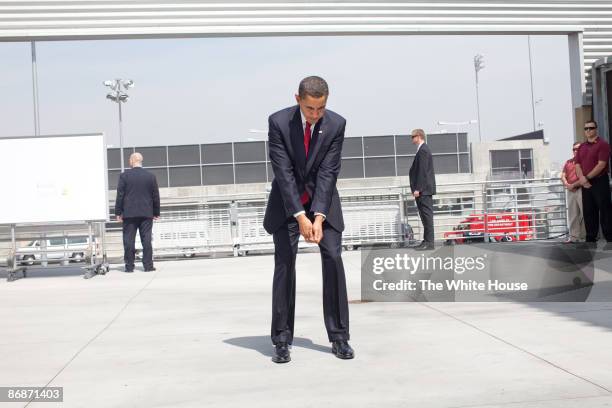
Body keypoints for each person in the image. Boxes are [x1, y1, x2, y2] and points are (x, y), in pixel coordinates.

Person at [263, 76, 353, 363]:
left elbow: (329, 172)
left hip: (322, 203)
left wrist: (318, 216)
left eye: (321, 108)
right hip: (287, 204)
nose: (315, 115)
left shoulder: (337, 124)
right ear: (298, 99)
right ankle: (281, 339)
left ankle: (339, 336)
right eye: (310, 108)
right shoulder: (278, 123)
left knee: (333, 257)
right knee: (285, 264)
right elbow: (284, 173)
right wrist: (300, 216)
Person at [115, 152, 161, 272]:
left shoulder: (124, 176)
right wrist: (156, 212)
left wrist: (118, 212)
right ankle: (148, 266)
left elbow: (120, 195)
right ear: (141, 161)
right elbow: (155, 196)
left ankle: (129, 266)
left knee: (128, 240)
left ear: (131, 161)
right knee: (146, 240)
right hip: (146, 213)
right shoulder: (150, 176)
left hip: (129, 214)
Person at [574, 120, 612, 243]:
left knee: (605, 209)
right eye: (586, 129)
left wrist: (587, 178)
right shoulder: (582, 147)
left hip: (600, 181)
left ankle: (610, 237)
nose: (588, 130)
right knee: (589, 211)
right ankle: (590, 237)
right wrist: (582, 179)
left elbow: (601, 165)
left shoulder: (603, 145)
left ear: (596, 129)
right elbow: (577, 164)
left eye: (591, 128)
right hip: (586, 183)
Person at [409, 128, 437, 250]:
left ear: (419, 136)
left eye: (413, 137)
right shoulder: (421, 150)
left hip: (424, 190)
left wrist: (418, 189)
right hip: (423, 190)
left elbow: (423, 172)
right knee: (424, 216)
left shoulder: (423, 150)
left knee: (427, 216)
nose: (412, 139)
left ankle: (429, 243)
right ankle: (426, 241)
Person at [561, 142, 586, 243]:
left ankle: (584, 236)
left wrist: (573, 185)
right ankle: (574, 237)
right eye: (574, 149)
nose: (575, 151)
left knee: (585, 214)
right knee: (573, 214)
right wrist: (567, 184)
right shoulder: (568, 162)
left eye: (577, 149)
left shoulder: (585, 162)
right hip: (570, 191)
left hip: (581, 189)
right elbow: (562, 175)